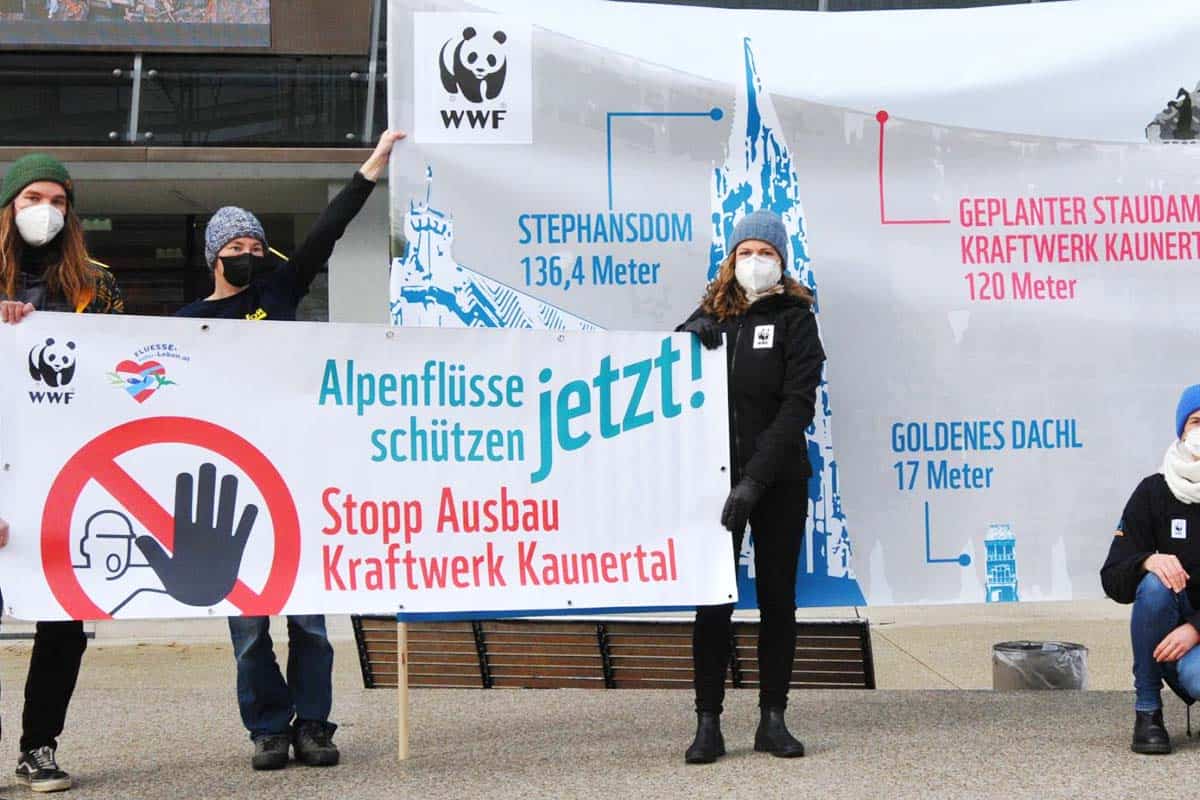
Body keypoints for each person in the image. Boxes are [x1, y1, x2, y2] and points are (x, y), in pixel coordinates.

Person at [175, 129, 404, 771]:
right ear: (213, 256)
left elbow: (326, 233)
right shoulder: (182, 320)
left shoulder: (279, 295)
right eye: (236, 247)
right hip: (230, 487)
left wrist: (372, 168)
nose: (249, 254)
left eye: (256, 244)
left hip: (297, 478)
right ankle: (268, 729)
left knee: (308, 619)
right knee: (249, 626)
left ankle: (316, 727)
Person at [676, 209, 824, 765]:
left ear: (781, 261)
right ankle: (708, 722)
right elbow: (668, 374)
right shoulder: (714, 311)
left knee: (778, 602)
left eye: (766, 253)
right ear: (730, 259)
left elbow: (797, 407)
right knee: (713, 602)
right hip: (717, 481)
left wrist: (754, 481)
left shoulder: (796, 318)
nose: (755, 262)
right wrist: (687, 335)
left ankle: (773, 719)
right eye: (746, 253)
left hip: (778, 481)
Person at [0, 153, 125, 792]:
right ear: (8, 207)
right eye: (29, 197)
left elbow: (113, 376)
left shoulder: (96, 284)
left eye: (54, 197)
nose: (43, 208)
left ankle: (38, 746)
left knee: (63, 626)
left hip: (64, 481)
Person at [1101, 384, 1200, 755]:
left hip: (1194, 635)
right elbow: (1113, 578)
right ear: (1182, 430)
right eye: (1196, 421)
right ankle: (1148, 711)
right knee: (1155, 584)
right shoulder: (1154, 492)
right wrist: (1147, 559)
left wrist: (1196, 629)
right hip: (1169, 634)